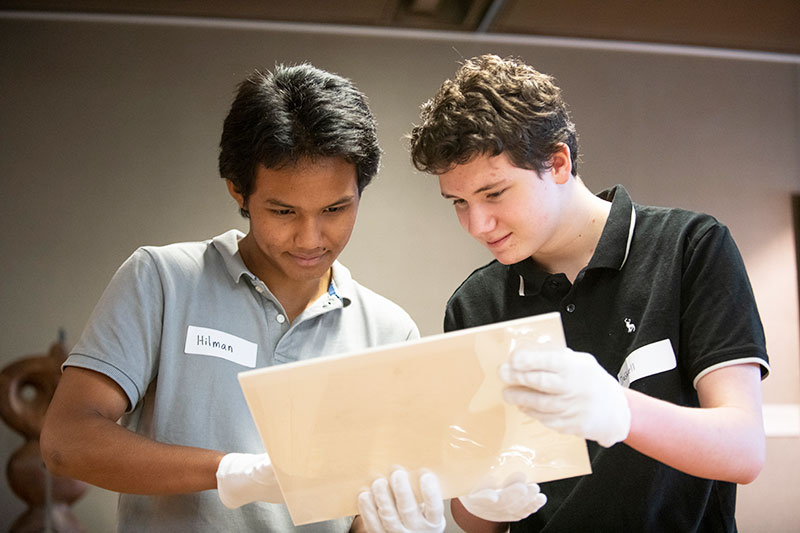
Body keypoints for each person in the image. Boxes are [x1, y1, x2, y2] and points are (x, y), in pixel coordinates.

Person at [358, 54, 769, 532]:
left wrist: (618, 409)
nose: (476, 224)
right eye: (459, 203)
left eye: (494, 194)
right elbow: (477, 521)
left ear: (557, 162)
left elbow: (743, 449)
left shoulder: (689, 248)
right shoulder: (476, 304)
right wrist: (479, 497)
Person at [40, 63, 419, 532]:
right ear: (238, 190)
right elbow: (66, 441)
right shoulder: (163, 280)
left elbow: (369, 511)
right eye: (283, 211)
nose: (310, 238)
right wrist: (233, 473)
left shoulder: (390, 331)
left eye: (335, 209)